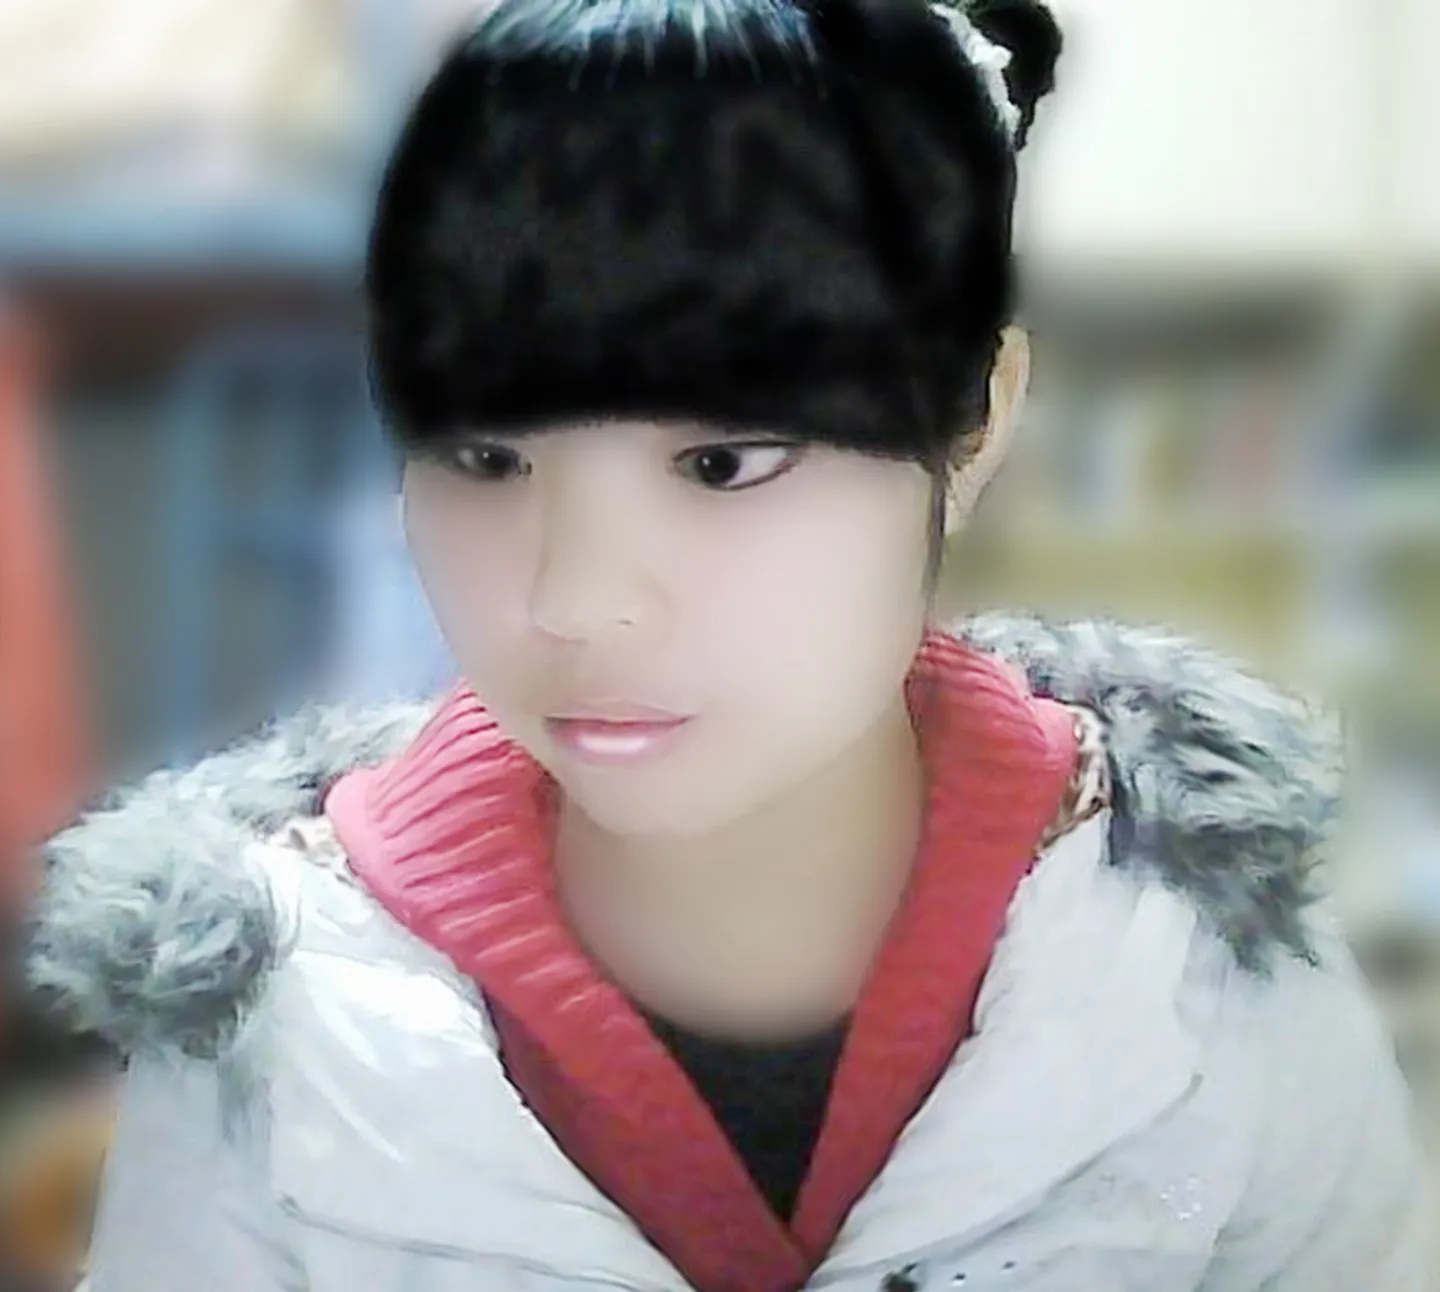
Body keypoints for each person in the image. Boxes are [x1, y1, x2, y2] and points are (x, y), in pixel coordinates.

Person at [25, 0, 1431, 1288]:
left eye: (724, 464)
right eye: (486, 456)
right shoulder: (261, 1020)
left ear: (977, 418)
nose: (577, 598)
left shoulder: (1210, 957)